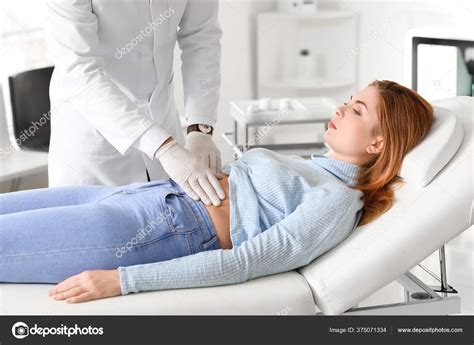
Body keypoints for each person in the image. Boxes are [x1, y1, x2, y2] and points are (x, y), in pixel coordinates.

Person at [0, 80, 434, 304]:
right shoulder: (312, 166)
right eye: (349, 99)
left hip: (158, 229)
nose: (341, 108)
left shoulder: (339, 201)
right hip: (138, 193)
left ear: (378, 143)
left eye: (357, 110)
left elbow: (243, 262)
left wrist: (124, 281)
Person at [44, 0, 225, 206]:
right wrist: (163, 148)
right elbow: (80, 72)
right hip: (96, 145)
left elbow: (201, 36)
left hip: (165, 128)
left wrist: (200, 129)